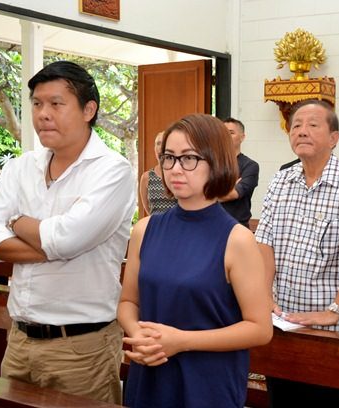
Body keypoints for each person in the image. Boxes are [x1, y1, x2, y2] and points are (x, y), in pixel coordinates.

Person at [0, 60, 136, 404]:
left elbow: (66, 239)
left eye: (56, 104)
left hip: (81, 348)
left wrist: (15, 221)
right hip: (19, 341)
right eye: (37, 103)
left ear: (88, 110)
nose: (43, 114)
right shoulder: (22, 167)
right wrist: (57, 244)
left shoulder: (112, 171)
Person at [118, 114, 272, 408]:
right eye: (169, 158)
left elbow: (260, 328)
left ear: (216, 161)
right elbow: (128, 302)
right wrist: (140, 335)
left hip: (207, 381)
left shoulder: (237, 239)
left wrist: (182, 341)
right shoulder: (145, 229)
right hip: (150, 370)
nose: (176, 169)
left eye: (189, 158)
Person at [255, 100, 339, 407]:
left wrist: (335, 309)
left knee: (329, 401)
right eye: (296, 125)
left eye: (312, 125)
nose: (302, 131)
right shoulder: (281, 180)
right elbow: (265, 242)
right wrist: (266, 297)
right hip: (283, 320)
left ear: (334, 138)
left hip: (332, 328)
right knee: (283, 398)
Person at [219, 117, 259, 227]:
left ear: (242, 137)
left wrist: (208, 196)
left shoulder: (250, 166)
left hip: (237, 227)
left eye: (231, 133)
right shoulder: (210, 163)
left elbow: (233, 194)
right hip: (210, 225)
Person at [139, 131, 178, 215]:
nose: (161, 147)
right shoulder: (146, 177)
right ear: (154, 148)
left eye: (164, 143)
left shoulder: (179, 174)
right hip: (156, 222)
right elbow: (148, 209)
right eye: (158, 143)